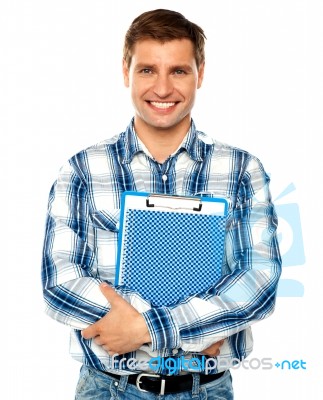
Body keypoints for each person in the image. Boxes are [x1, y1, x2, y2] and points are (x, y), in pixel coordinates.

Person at [41, 8, 282, 399]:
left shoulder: (242, 171)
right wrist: (195, 329)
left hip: (206, 390)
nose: (163, 88)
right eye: (148, 70)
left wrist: (146, 328)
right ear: (126, 72)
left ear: (200, 73)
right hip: (108, 388)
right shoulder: (82, 170)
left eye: (179, 71)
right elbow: (60, 283)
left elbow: (258, 282)